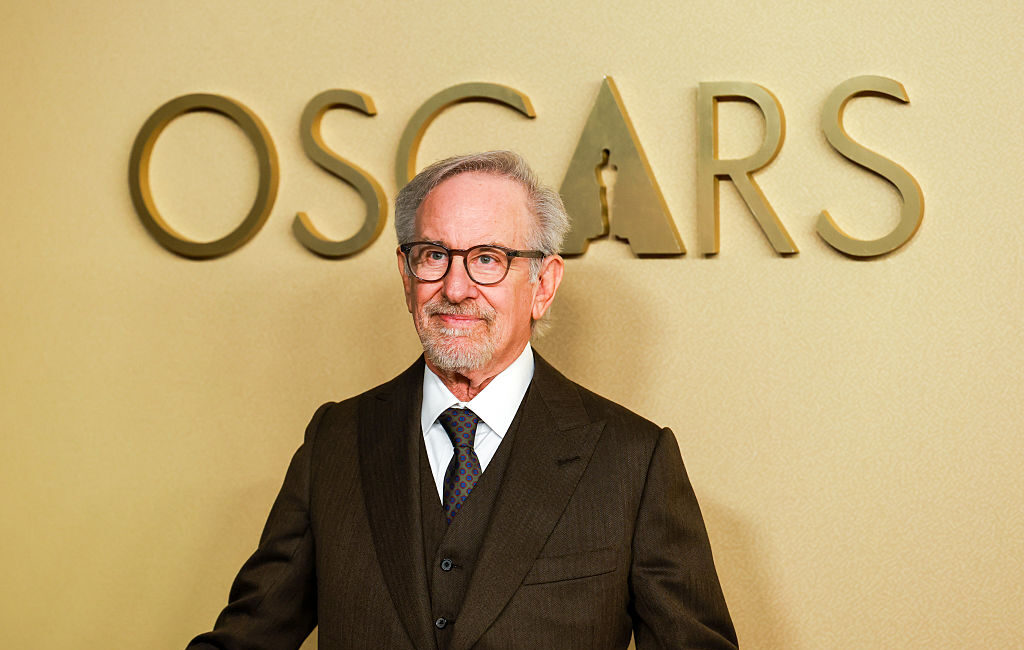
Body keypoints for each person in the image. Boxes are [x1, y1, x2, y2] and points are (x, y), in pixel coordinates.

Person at [187, 151, 738, 649]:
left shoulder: (633, 460)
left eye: (488, 258)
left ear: (543, 285)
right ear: (406, 276)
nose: (454, 288)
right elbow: (248, 637)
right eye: (434, 255)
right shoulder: (335, 441)